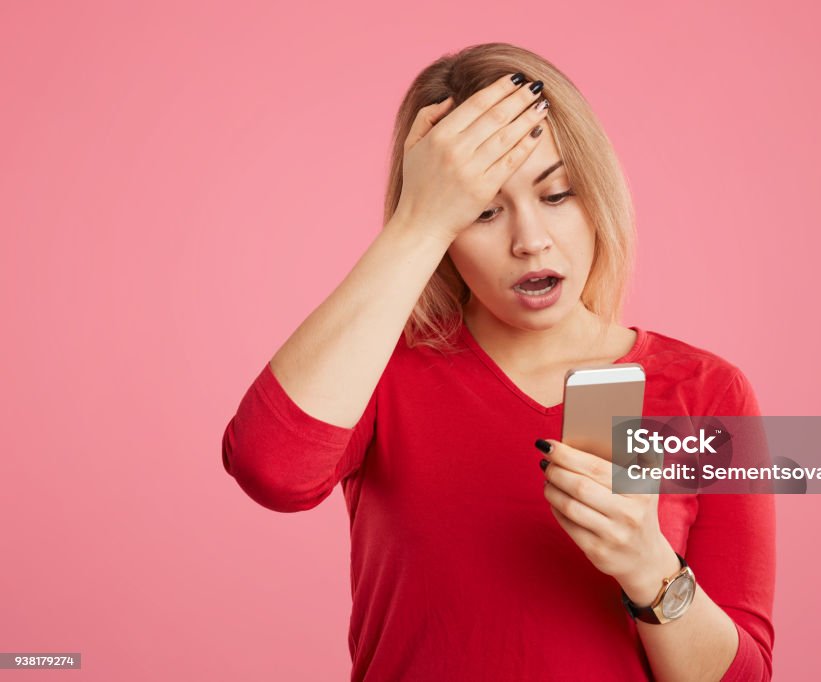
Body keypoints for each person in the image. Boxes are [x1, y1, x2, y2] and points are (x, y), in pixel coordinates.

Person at [222, 42, 775, 681]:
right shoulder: (380, 370)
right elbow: (269, 469)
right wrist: (417, 223)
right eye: (482, 210)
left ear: (596, 191)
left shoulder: (708, 392)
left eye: (558, 194)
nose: (530, 239)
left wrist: (650, 568)